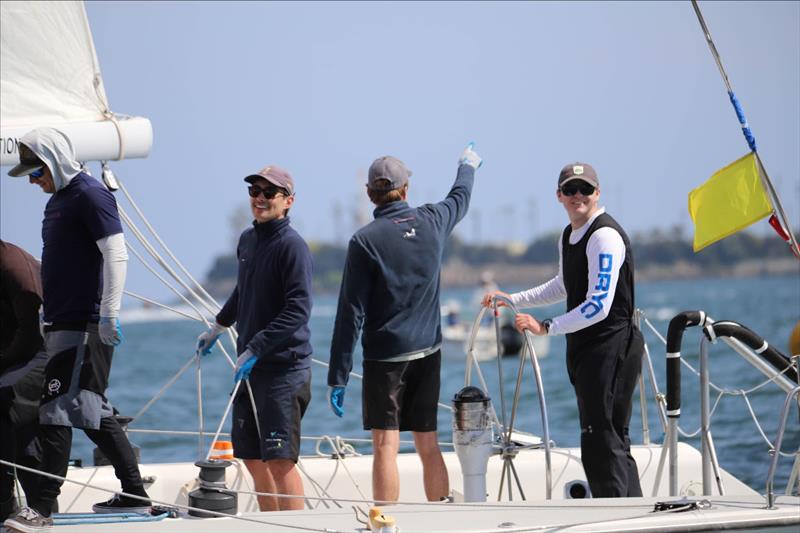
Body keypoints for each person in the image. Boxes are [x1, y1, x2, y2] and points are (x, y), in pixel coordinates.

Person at [4, 128, 150, 533]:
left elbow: (116, 250)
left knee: (55, 412)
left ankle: (42, 511)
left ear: (53, 161)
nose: (34, 182)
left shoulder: (90, 194)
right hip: (61, 322)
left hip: (84, 322)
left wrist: (109, 313)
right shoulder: (59, 201)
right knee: (92, 410)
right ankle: (136, 495)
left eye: (37, 173)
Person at [328, 144, 482, 503]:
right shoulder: (433, 220)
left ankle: (385, 524)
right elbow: (461, 195)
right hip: (429, 352)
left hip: (385, 358)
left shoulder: (364, 241)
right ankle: (441, 517)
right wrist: (467, 166)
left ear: (370, 194)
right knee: (427, 442)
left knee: (385, 445)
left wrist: (338, 375)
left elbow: (350, 313)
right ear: (406, 190)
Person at [483, 162, 644, 498]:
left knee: (604, 438)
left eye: (585, 189)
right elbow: (564, 285)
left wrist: (547, 327)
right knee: (600, 435)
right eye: (570, 190)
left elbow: (598, 304)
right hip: (587, 349)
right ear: (559, 196)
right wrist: (512, 300)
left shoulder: (604, 236)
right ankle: (626, 511)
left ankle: (617, 517)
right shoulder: (569, 235)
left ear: (598, 193)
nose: (577, 196)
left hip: (612, 347)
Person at [196, 165, 313, 511]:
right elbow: (243, 291)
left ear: (288, 201)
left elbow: (298, 309)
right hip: (250, 371)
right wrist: (218, 326)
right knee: (251, 457)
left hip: (283, 371)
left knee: (280, 460)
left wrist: (256, 349)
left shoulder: (293, 247)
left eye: (269, 193)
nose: (259, 198)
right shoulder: (248, 240)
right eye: (254, 191)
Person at [0, 241, 46, 521]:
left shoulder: (14, 265)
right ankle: (5, 502)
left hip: (39, 348)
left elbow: (30, 332)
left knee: (13, 406)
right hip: (11, 352)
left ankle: (38, 507)